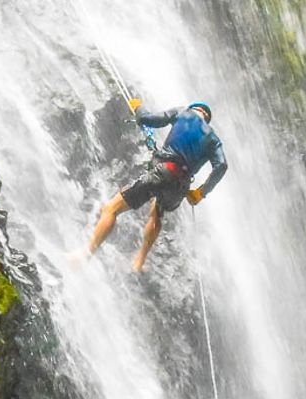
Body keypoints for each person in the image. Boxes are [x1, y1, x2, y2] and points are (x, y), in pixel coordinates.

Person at [86, 101, 229, 273]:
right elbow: (221, 166)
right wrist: (201, 193)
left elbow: (147, 119)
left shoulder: (183, 113)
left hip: (164, 171)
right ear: (207, 118)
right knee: (157, 211)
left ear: (194, 108)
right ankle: (139, 261)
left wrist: (137, 107)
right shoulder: (213, 140)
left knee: (111, 209)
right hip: (180, 187)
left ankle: (86, 253)